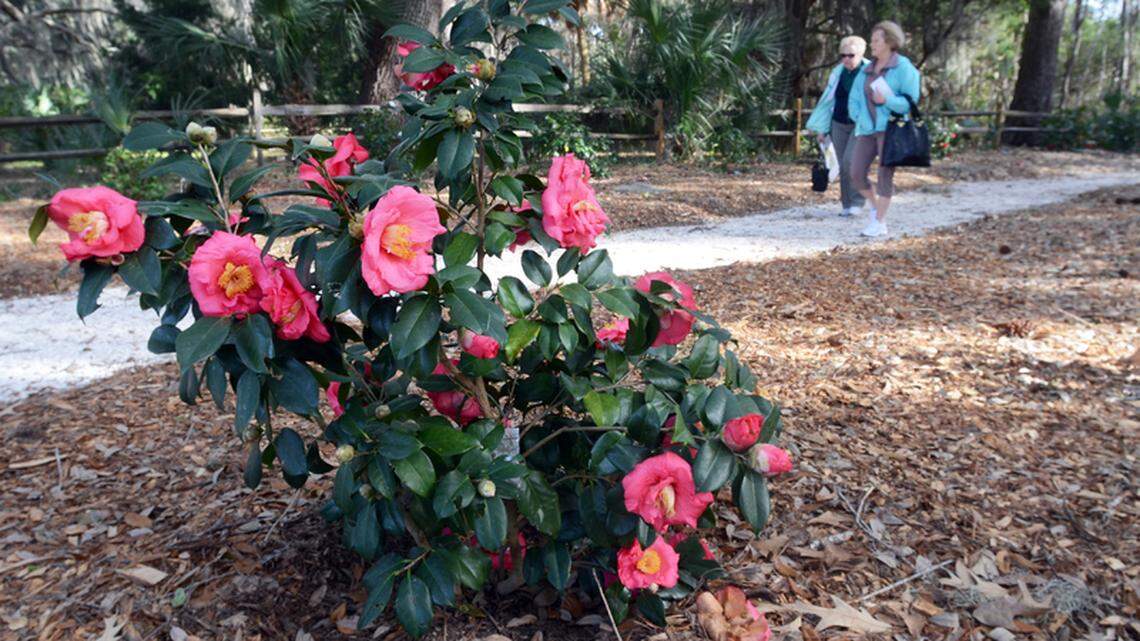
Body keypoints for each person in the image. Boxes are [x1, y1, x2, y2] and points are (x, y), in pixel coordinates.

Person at [847, 20, 921, 238]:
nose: (872, 44)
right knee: (856, 173)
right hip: (867, 129)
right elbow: (853, 100)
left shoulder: (904, 68)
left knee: (884, 176)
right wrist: (859, 117)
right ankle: (875, 207)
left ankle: (879, 222)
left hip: (891, 129)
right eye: (872, 40)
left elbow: (910, 102)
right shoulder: (866, 70)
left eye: (876, 40)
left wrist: (886, 99)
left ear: (889, 42)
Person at [805, 36, 871, 217]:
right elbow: (827, 102)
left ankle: (858, 201)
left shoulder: (871, 71)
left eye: (851, 55)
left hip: (861, 125)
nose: (847, 59)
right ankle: (847, 205)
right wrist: (822, 129)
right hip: (838, 123)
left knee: (852, 162)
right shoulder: (837, 73)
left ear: (861, 54)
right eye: (843, 55)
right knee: (842, 164)